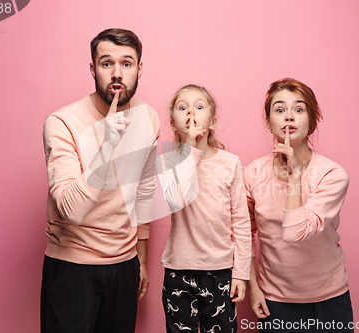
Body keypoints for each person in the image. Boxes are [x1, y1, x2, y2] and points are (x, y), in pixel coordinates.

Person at [40, 28, 160, 333]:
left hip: (124, 266)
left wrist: (141, 261)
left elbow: (143, 193)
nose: (117, 73)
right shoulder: (62, 122)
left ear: (139, 69)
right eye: (107, 64)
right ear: (93, 69)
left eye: (127, 64)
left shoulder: (149, 117)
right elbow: (70, 209)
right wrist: (106, 145)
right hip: (72, 268)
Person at [244, 78, 353, 332]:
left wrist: (294, 177)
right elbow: (242, 233)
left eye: (299, 109)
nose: (289, 117)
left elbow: (295, 233)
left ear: (312, 121)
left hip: (329, 300)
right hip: (275, 301)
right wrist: (254, 287)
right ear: (270, 123)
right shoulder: (253, 173)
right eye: (280, 110)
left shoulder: (333, 175)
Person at [156, 84, 252, 333]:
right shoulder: (168, 161)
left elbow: (241, 223)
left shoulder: (230, 163)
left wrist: (241, 273)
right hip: (179, 269)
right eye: (183, 107)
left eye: (199, 106)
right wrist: (190, 149)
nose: (191, 113)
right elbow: (177, 199)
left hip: (220, 270)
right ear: (173, 122)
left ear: (213, 119)